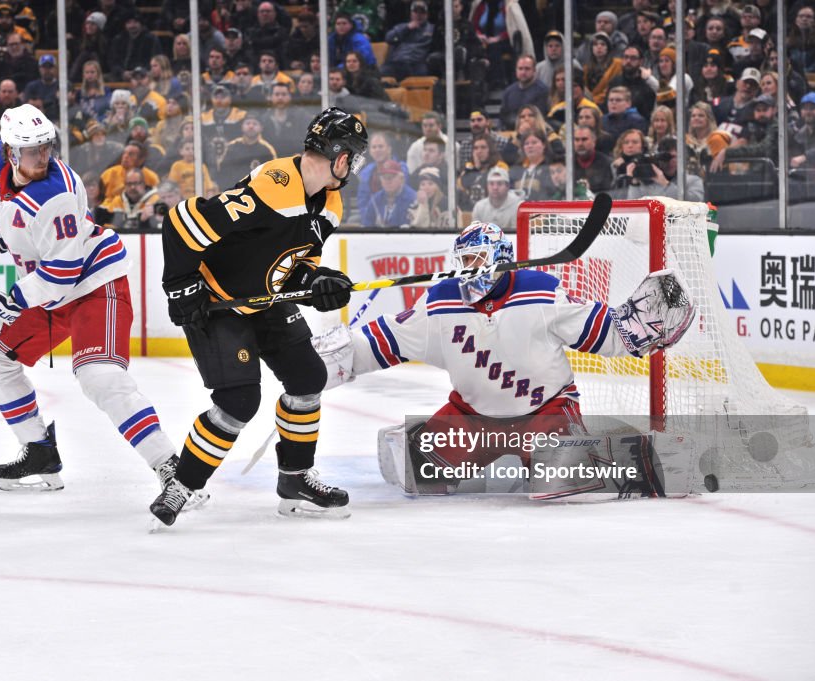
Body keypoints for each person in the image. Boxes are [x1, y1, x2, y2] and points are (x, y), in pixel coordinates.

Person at [319, 221, 694, 499]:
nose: (469, 268)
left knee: (559, 475)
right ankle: (487, 463)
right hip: (473, 415)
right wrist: (333, 359)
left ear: (499, 259)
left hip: (544, 412)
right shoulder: (439, 304)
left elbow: (604, 332)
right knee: (415, 470)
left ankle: (645, 456)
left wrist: (642, 325)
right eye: (463, 260)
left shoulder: (542, 292)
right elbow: (384, 340)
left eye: (477, 259)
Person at [151, 106, 368, 527]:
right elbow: (180, 223)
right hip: (218, 303)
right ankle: (182, 484)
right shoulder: (273, 189)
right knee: (238, 401)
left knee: (308, 378)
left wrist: (319, 283)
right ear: (341, 157)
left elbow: (293, 267)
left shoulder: (330, 205)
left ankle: (295, 479)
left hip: (266, 301)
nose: (353, 167)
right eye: (353, 158)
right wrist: (182, 288)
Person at [0, 103, 187, 500]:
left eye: (46, 147)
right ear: (9, 152)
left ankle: (174, 470)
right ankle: (39, 451)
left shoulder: (57, 196)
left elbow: (61, 275)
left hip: (92, 283)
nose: (43, 156)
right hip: (47, 289)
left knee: (99, 377)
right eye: (31, 150)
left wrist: (9, 303)